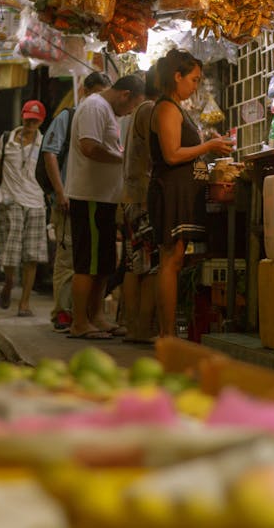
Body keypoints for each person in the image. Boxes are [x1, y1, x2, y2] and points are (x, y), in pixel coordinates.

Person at [148, 49, 234, 337]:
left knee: (175, 259)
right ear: (177, 76)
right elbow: (171, 154)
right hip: (170, 191)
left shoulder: (176, 107)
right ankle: (167, 333)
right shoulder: (166, 108)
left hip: (181, 192)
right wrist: (208, 147)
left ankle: (168, 332)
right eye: (194, 79)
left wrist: (206, 144)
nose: (195, 86)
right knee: (170, 261)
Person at [65, 73, 146, 340]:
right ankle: (79, 322)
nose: (130, 112)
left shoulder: (106, 110)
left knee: (103, 263)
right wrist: (122, 160)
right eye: (132, 105)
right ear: (125, 95)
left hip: (105, 198)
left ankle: (96, 316)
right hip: (89, 197)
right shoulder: (94, 107)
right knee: (87, 263)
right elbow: (89, 147)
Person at [41, 71, 111, 332]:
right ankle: (62, 312)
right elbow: (50, 153)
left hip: (89, 197)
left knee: (85, 259)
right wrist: (61, 193)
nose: (100, 100)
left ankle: (84, 313)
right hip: (68, 198)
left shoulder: (101, 118)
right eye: (97, 94)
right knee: (68, 257)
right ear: (84, 91)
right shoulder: (68, 116)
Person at [0, 100, 48, 316]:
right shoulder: (7, 139)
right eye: (28, 119)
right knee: (10, 253)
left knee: (31, 256)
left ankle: (24, 303)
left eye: (35, 120)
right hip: (10, 201)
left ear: (41, 121)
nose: (30, 123)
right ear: (22, 117)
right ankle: (8, 283)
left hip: (36, 202)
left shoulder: (44, 143)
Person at [121, 64, 161, 343]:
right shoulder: (149, 110)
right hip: (143, 198)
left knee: (135, 265)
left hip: (134, 196)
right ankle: (141, 328)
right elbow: (158, 153)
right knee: (148, 267)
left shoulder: (141, 110)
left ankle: (134, 326)